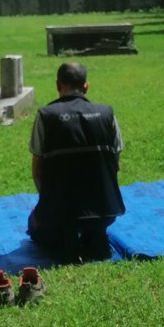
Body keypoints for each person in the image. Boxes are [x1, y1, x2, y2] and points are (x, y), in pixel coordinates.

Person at [27, 61, 124, 261]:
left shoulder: (46, 115)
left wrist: (48, 203)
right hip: (105, 211)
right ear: (86, 86)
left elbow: (37, 170)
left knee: (35, 221)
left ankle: (67, 237)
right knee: (91, 225)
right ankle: (94, 236)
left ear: (57, 85)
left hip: (58, 212)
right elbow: (116, 165)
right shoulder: (107, 113)